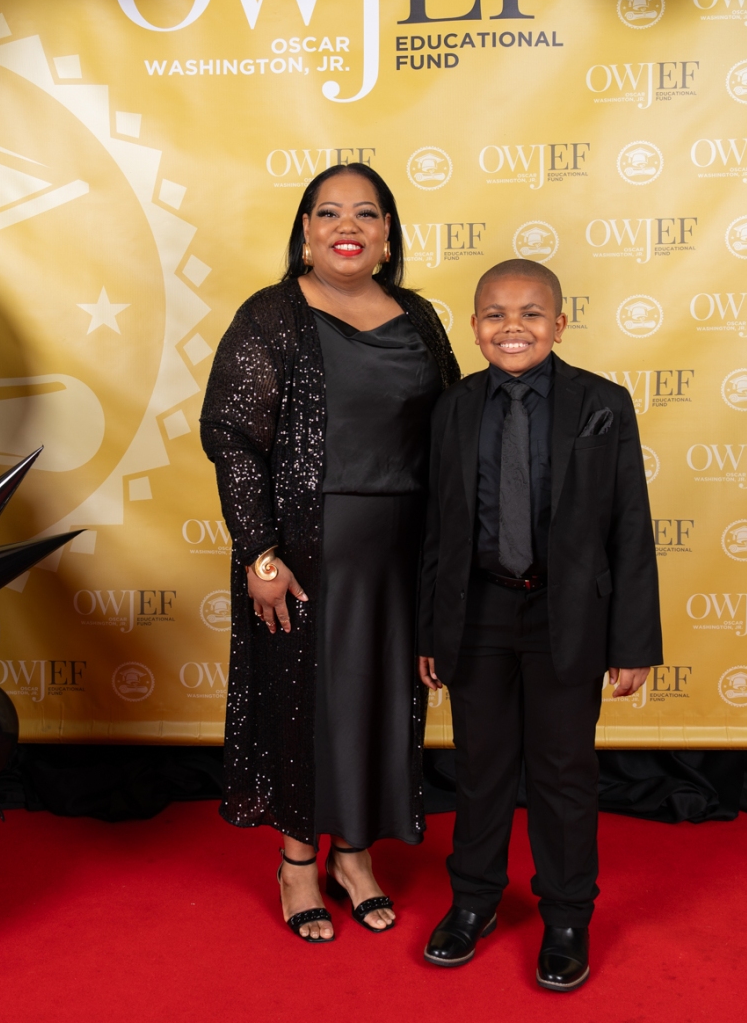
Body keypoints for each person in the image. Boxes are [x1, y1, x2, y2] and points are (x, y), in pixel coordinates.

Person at [200, 163, 461, 942]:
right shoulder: (271, 315)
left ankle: (354, 855)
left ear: (388, 235)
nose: (348, 226)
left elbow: (453, 430)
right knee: (303, 701)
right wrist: (260, 554)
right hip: (307, 552)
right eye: (329, 212)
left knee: (382, 699)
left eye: (366, 213)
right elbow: (233, 439)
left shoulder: (420, 318)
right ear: (306, 232)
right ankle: (296, 864)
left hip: (402, 553)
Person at [416, 259, 662, 991]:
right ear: (474, 326)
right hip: (480, 612)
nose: (512, 327)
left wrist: (632, 641)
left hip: (568, 614)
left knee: (563, 772)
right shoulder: (453, 407)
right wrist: (431, 631)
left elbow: (630, 526)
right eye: (495, 314)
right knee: (481, 766)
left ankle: (566, 915)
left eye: (530, 313)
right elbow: (437, 529)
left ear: (559, 323)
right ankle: (474, 901)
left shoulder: (602, 403)